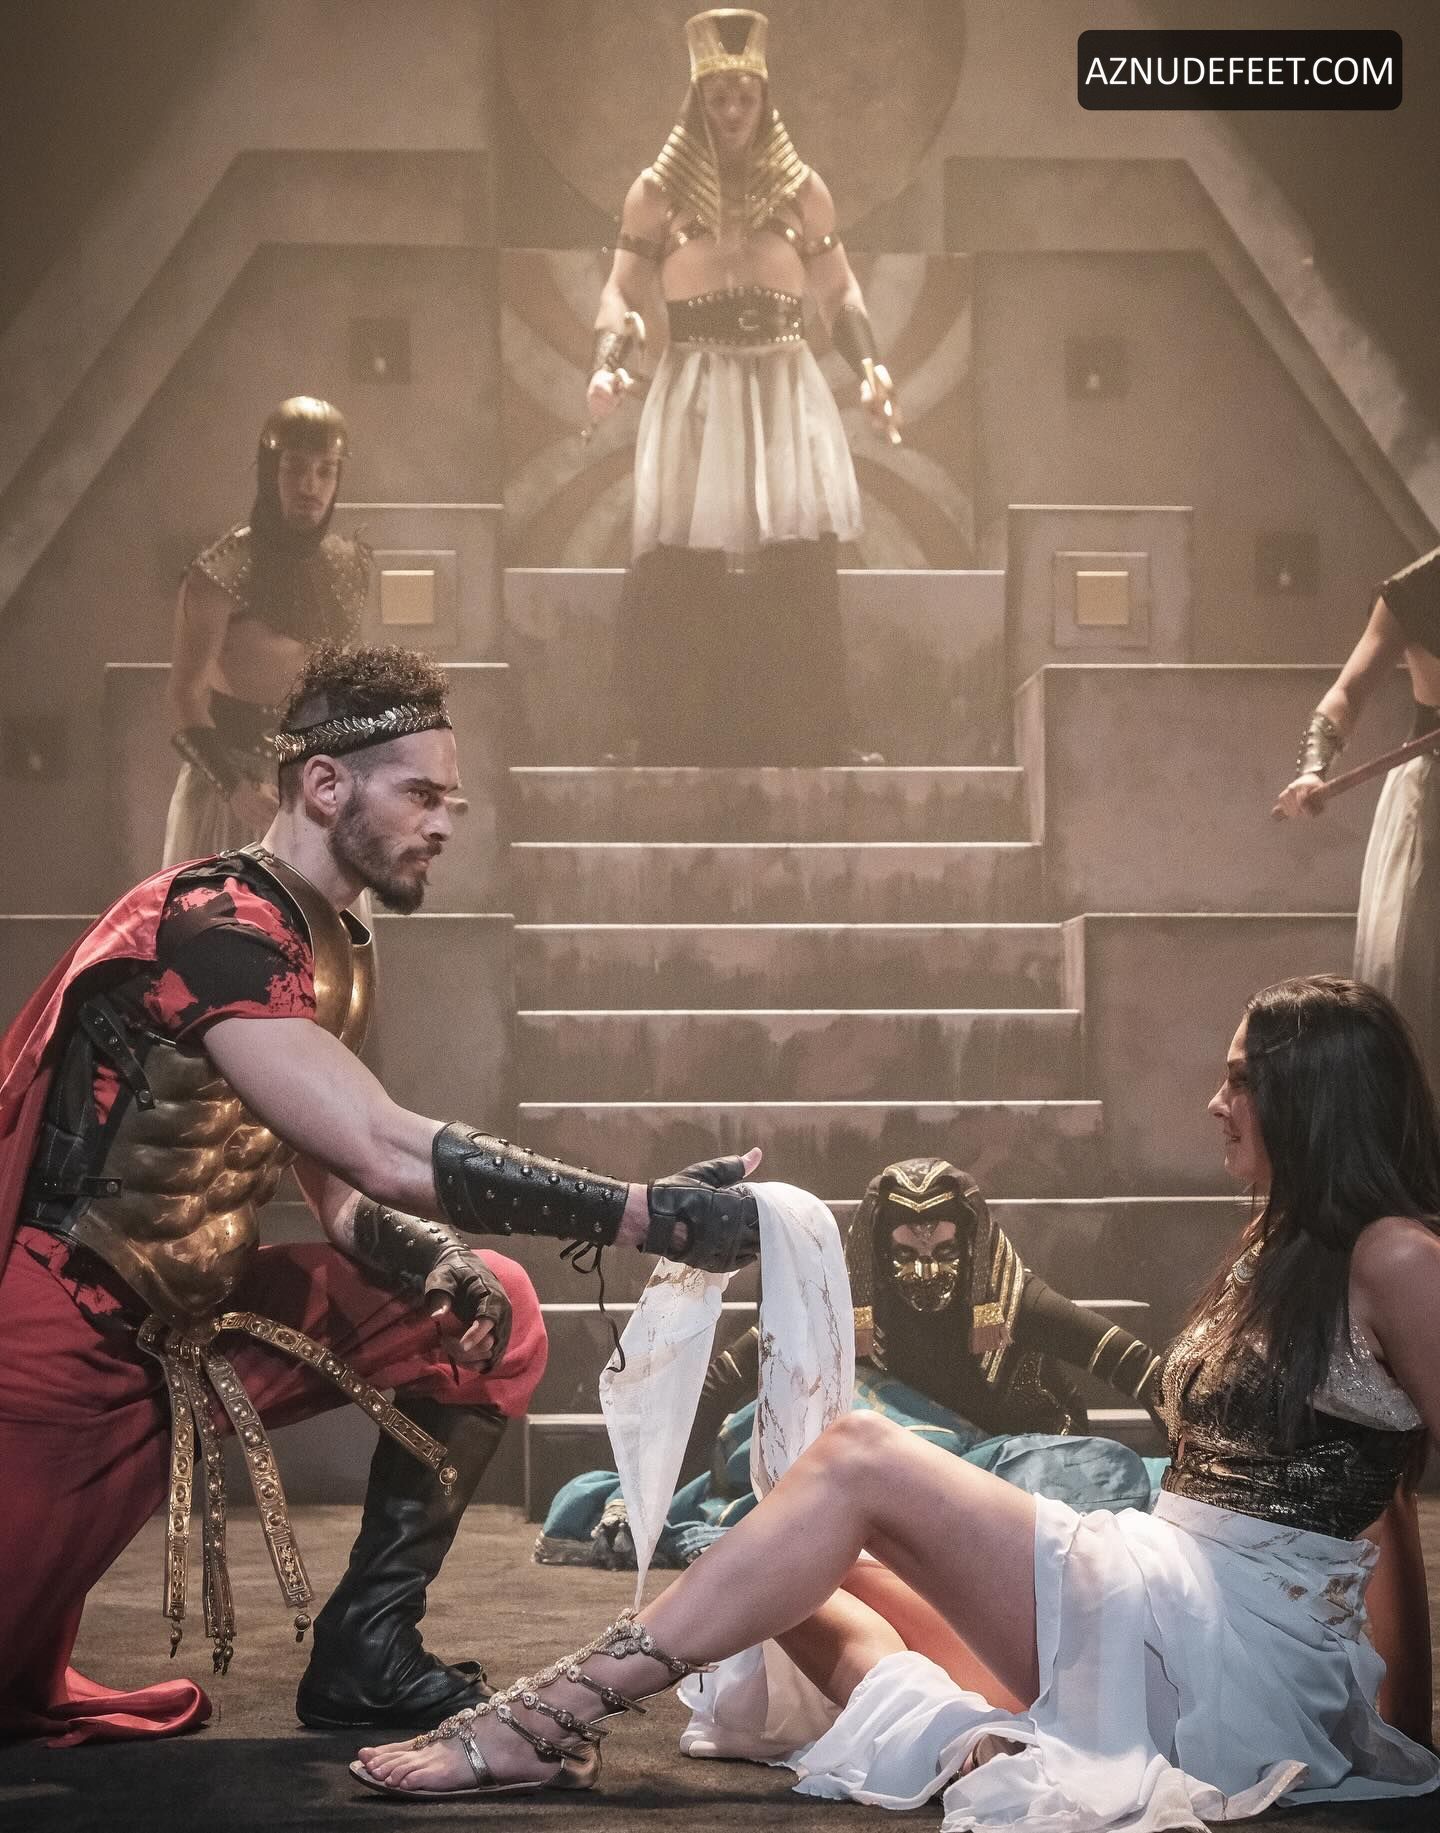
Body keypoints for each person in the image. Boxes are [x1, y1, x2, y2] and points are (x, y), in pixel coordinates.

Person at [354, 976, 1440, 1830]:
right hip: (1171, 1589)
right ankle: (970, 1744)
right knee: (785, 1569)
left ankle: (544, 1720)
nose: (1215, 1101)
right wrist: (1400, 1722)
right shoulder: (1279, 1247)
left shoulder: (1397, 1255)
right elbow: (1378, 1481)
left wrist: (1397, 1724)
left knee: (858, 1456)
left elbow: (1394, 1487)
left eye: (1240, 1079)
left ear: (1311, 1096)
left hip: (1230, 1649)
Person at [0, 643, 760, 1746]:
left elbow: (346, 1193)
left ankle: (367, 1649)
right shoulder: (217, 926)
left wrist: (436, 1262)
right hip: (65, 1344)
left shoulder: (333, 949)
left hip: (198, 1328)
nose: (445, 823)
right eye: (421, 794)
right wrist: (642, 1213)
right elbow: (382, 1145)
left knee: (494, 1306)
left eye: (451, 799)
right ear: (325, 785)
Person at [538, 1157, 1165, 1569]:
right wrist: (646, 1497)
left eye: (945, 1252)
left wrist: (1201, 1470)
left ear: (970, 1248)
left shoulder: (1011, 1296)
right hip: (894, 1469)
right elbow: (720, 1382)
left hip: (1007, 1464)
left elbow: (1141, 1369)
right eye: (907, 1252)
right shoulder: (843, 1295)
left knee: (1091, 1473)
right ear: (879, 1253)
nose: (926, 1269)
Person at [589, 7, 897, 766]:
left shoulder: (804, 193)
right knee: (680, 557)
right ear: (698, 100)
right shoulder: (656, 195)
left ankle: (812, 731)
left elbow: (839, 292)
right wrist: (606, 358)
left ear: (765, 98)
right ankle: (666, 732)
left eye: (745, 96)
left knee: (798, 553)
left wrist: (869, 365)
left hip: (783, 386)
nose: (732, 112)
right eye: (718, 96)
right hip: (695, 387)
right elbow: (621, 291)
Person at [163, 395, 370, 863]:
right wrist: (234, 789)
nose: (310, 486)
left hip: (317, 792)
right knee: (229, 911)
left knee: (323, 915)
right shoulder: (219, 574)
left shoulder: (347, 567)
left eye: (325, 471)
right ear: (270, 471)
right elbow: (184, 695)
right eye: (295, 468)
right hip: (235, 792)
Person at [1274, 544, 1440, 1089]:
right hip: (1432, 802)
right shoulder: (1416, 590)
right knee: (1411, 979)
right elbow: (1347, 693)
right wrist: (1313, 768)